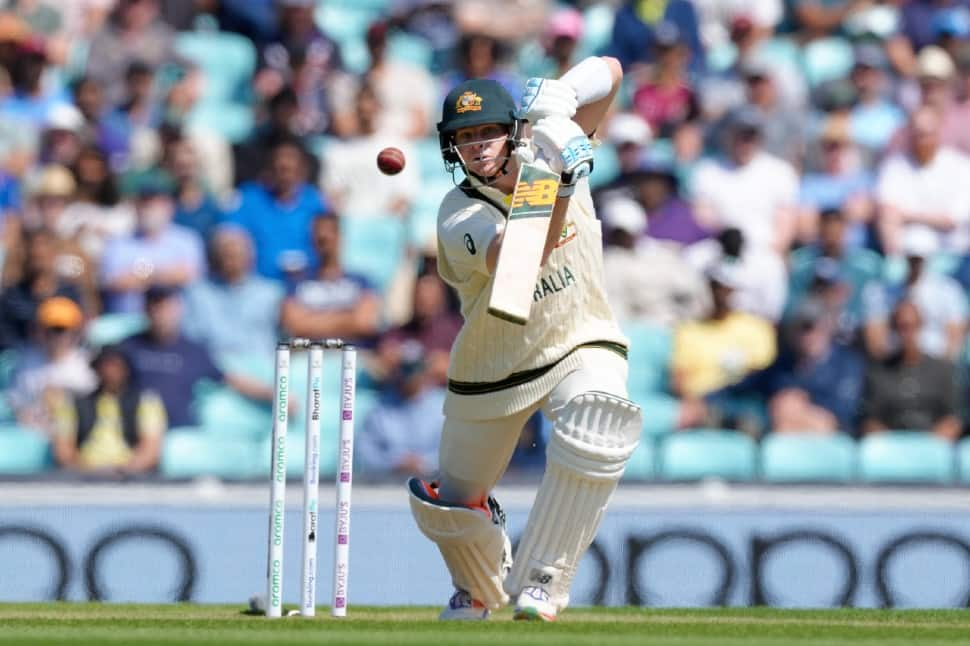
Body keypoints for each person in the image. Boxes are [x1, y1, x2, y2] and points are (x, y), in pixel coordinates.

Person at [408, 60, 643, 623]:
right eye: (464, 138)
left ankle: (543, 579)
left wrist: (560, 99)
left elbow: (610, 71)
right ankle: (480, 588)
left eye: (487, 131)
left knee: (598, 421)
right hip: (495, 366)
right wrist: (559, 177)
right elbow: (516, 266)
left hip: (580, 339)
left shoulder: (555, 144)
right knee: (448, 509)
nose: (477, 146)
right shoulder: (457, 212)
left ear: (511, 131)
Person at [50, 344, 167, 475]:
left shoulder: (147, 402)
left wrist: (123, 472)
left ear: (126, 369)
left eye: (115, 365)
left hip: (131, 479)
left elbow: (151, 450)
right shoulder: (73, 404)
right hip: (85, 479)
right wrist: (85, 472)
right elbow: (63, 450)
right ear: (96, 369)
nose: (110, 371)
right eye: (105, 365)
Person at [861, 301, 962, 441]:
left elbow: (953, 419)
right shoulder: (879, 372)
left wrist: (931, 444)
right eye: (902, 327)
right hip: (892, 446)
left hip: (933, 446)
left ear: (921, 326)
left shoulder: (941, 370)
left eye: (912, 326)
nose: (907, 333)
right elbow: (870, 421)